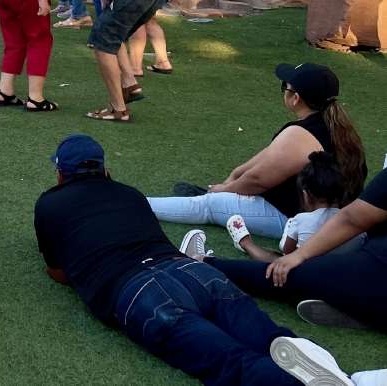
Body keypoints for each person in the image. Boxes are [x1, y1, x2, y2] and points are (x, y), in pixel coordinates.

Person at [34, 134, 349, 386]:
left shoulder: (50, 203)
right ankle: (341, 378)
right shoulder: (129, 193)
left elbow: (59, 272)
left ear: (60, 175)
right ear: (105, 171)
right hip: (192, 269)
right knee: (272, 338)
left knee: (231, 362)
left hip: (138, 292)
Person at [150, 62, 366, 239]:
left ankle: (140, 205)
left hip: (298, 220)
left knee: (209, 205)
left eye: (285, 87)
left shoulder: (300, 133)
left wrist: (224, 190)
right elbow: (265, 158)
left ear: (296, 98)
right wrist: (233, 176)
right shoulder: (336, 126)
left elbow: (257, 181)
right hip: (328, 217)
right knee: (221, 196)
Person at [201, 163, 387, 335]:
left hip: (369, 268)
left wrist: (300, 255)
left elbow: (353, 219)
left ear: (306, 195)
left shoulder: (301, 221)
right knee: (291, 269)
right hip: (361, 263)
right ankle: (360, 308)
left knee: (284, 273)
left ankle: (205, 262)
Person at [209, 151, 368, 263]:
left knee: (279, 261)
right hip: (342, 271)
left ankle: (246, 243)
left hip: (306, 273)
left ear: (306, 195)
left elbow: (287, 252)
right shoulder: (356, 222)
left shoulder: (300, 220)